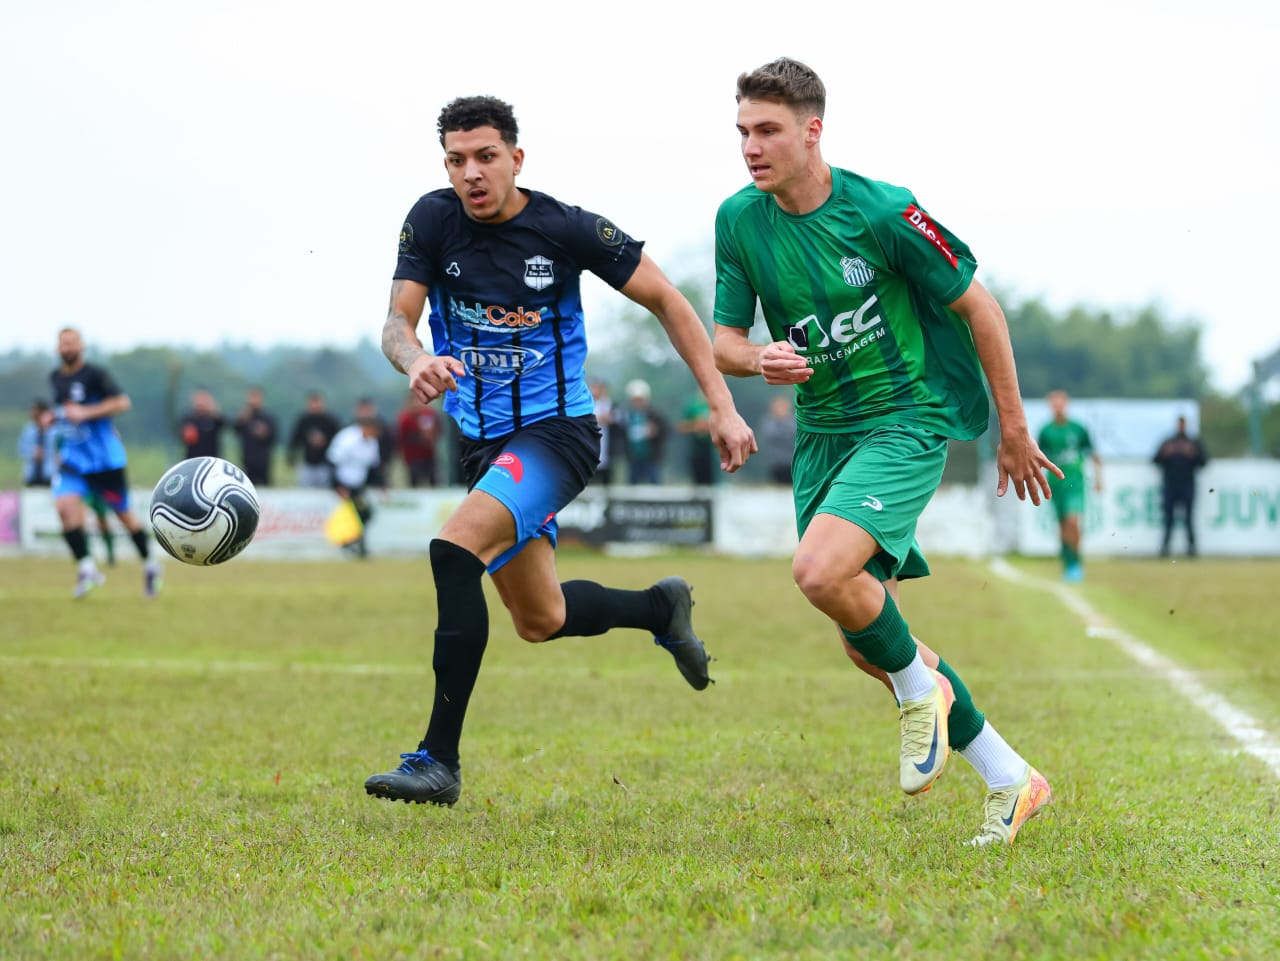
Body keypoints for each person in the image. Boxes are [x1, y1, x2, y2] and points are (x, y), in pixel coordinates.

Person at [366, 94, 756, 807]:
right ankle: (658, 608)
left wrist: (722, 406)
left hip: (557, 436)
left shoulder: (565, 228)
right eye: (456, 160)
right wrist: (414, 357)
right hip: (483, 446)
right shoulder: (431, 220)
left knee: (453, 550)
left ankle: (438, 761)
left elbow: (669, 300)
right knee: (539, 619)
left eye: (486, 156)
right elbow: (397, 321)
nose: (471, 173)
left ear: (516, 158)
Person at [712, 58, 1060, 847]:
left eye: (767, 131)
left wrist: (1012, 427)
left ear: (813, 131)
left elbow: (981, 308)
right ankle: (1011, 776)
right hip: (821, 436)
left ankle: (918, 691)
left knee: (818, 572)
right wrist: (758, 357)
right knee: (864, 635)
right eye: (742, 132)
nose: (751, 147)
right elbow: (724, 341)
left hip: (904, 418)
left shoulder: (884, 211)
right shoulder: (738, 220)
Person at [43, 327, 162, 597]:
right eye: (63, 343)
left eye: (72, 343)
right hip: (74, 460)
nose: (68, 348)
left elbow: (122, 403)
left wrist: (86, 412)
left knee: (124, 516)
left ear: (82, 346)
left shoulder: (96, 375)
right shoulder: (56, 378)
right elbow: (66, 411)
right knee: (64, 507)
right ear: (57, 348)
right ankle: (87, 570)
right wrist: (54, 417)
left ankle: (150, 565)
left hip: (105, 461)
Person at [1037, 390, 1102, 582]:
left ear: (1066, 405)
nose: (1057, 407)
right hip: (1055, 485)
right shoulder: (1045, 431)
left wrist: (1099, 479)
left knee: (1073, 521)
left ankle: (1076, 564)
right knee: (1063, 525)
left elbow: (1093, 454)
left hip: (1075, 483)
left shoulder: (1078, 429)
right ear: (1050, 406)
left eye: (1060, 403)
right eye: (1054, 404)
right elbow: (1037, 458)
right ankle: (1068, 562)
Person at [327, 415, 384, 558]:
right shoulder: (347, 438)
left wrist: (382, 484)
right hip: (344, 484)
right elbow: (332, 461)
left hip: (358, 485)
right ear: (367, 428)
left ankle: (354, 543)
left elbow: (373, 466)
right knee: (357, 515)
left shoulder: (372, 442)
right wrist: (338, 486)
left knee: (364, 515)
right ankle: (352, 544)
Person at [1153, 415, 1208, 557]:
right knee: (1168, 519)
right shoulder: (1168, 442)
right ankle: (1165, 548)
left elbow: (1204, 461)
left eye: (1182, 424)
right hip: (1170, 485)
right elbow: (1155, 460)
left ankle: (1191, 549)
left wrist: (1193, 455)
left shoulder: (1192, 443)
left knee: (1188, 518)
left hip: (1187, 485)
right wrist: (1165, 454)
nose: (1180, 427)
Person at [287, 390, 341, 488]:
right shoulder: (303, 421)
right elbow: (295, 440)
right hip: (308, 464)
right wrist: (291, 457)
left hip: (325, 465)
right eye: (312, 402)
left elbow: (338, 442)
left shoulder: (331, 421)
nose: (315, 406)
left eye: (317, 402)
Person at [623, 378, 668, 484]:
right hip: (633, 456)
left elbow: (666, 430)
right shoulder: (626, 414)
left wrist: (655, 430)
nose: (638, 402)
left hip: (651, 456)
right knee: (633, 483)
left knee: (654, 482)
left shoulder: (655, 413)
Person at [395, 390, 443, 487]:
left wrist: (431, 438)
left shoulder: (429, 414)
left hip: (429, 455)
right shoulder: (404, 419)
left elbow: (438, 430)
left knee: (434, 480)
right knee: (415, 481)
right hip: (412, 457)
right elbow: (400, 438)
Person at [233, 386, 279, 486]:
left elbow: (274, 438)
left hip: (263, 461)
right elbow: (236, 431)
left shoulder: (268, 417)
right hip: (247, 461)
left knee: (265, 487)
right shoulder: (245, 417)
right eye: (251, 397)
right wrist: (241, 420)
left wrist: (264, 434)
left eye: (256, 397)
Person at [354, 397, 394, 489]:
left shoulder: (383, 428)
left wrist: (384, 463)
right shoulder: (352, 429)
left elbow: (389, 447)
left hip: (378, 467)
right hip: (357, 468)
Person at [678, 390, 716, 485]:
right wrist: (696, 426)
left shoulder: (716, 405)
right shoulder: (692, 406)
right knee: (698, 481)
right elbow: (682, 427)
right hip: (696, 450)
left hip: (713, 451)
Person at [759, 393, 797, 486]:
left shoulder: (794, 421)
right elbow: (771, 435)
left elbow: (795, 434)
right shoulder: (768, 422)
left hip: (793, 463)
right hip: (777, 464)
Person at [587, 378, 618, 485]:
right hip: (590, 446)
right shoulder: (586, 403)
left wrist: (610, 418)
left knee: (607, 479)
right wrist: (598, 419)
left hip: (608, 447)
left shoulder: (611, 404)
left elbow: (619, 419)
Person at [18, 399, 56, 487]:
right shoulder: (28, 430)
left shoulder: (55, 430)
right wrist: (32, 453)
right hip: (31, 474)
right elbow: (21, 449)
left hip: (50, 474)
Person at [179, 389, 225, 460]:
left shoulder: (213, 419)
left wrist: (212, 409)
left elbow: (223, 423)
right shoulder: (189, 419)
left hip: (212, 457)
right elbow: (185, 437)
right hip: (193, 458)